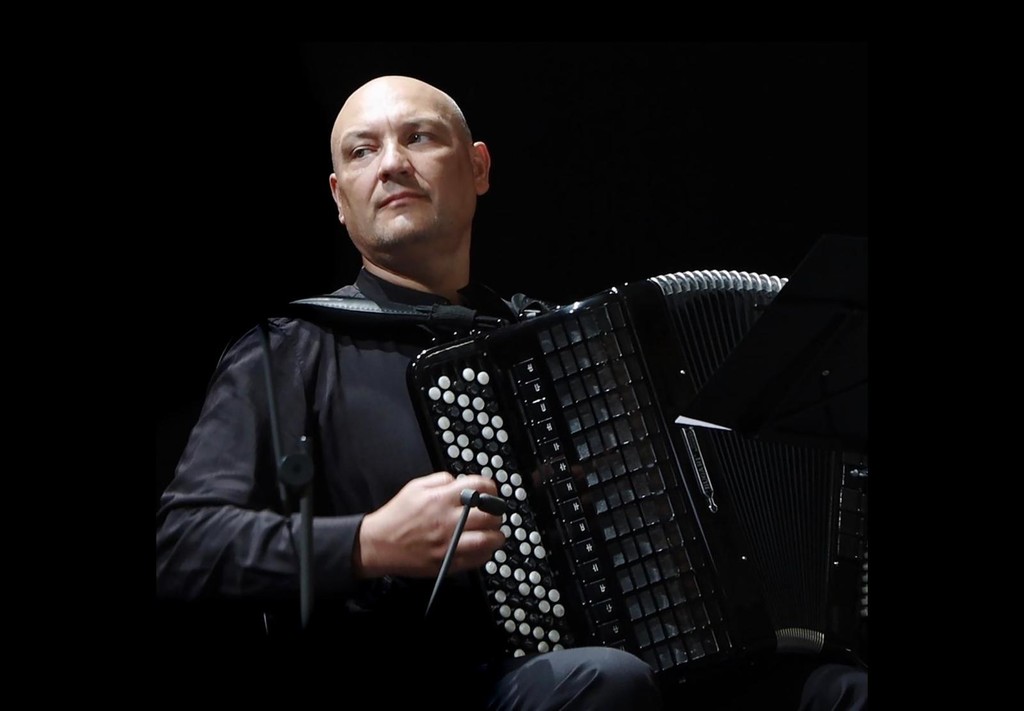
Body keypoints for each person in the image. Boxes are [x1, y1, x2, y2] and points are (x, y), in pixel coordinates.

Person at [155, 74, 867, 710]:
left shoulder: (550, 341)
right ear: (340, 200)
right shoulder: (291, 349)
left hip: (616, 666)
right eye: (362, 151)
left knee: (837, 686)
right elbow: (183, 546)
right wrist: (369, 542)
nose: (392, 163)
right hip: (412, 680)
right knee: (604, 679)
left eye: (418, 137)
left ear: (478, 168)